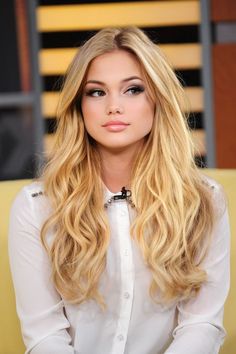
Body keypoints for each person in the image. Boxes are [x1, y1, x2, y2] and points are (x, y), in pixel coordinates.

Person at [9, 27, 230, 354]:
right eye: (97, 92)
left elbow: (201, 325)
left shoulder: (203, 200)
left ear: (157, 100)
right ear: (79, 106)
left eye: (133, 90)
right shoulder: (37, 207)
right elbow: (45, 337)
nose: (114, 106)